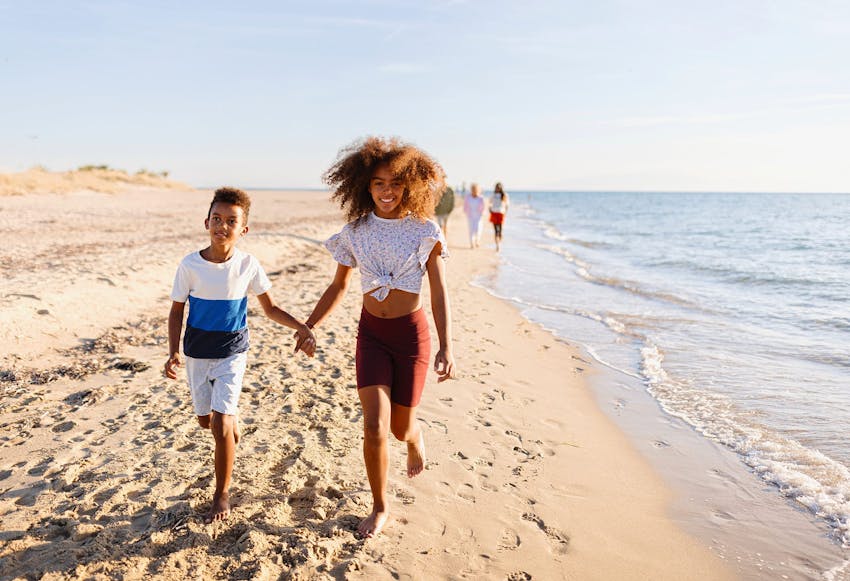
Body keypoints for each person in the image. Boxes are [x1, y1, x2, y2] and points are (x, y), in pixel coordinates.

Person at [305, 136, 456, 538]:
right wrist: (310, 325)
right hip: (371, 335)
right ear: (364, 187)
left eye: (394, 183)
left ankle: (415, 437)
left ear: (409, 184)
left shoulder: (424, 230)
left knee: (400, 427)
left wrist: (446, 346)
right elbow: (339, 287)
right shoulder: (355, 232)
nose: (386, 191)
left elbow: (438, 292)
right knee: (373, 426)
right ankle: (380, 506)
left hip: (411, 337)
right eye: (377, 183)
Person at [164, 187, 315, 524]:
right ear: (206, 222)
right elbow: (176, 312)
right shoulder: (189, 265)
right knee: (207, 421)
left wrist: (302, 327)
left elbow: (271, 308)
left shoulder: (248, 265)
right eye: (217, 219)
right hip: (197, 354)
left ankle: (221, 494)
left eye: (231, 221)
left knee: (220, 423)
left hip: (233, 352)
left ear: (243, 230)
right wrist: (172, 352)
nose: (223, 225)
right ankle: (228, 425)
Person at [463, 183, 486, 248]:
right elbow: (465, 205)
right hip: (470, 215)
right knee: (471, 230)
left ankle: (477, 241)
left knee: (478, 229)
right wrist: (465, 212)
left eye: (475, 189)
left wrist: (482, 212)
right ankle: (472, 243)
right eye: (473, 189)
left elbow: (483, 206)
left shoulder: (481, 198)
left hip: (478, 216)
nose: (474, 190)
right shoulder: (468, 197)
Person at [489, 182, 509, 252]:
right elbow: (490, 203)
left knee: (500, 230)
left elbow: (507, 205)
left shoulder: (504, 195)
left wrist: (505, 212)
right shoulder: (493, 195)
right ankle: (497, 245)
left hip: (501, 213)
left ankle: (499, 242)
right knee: (496, 230)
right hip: (494, 213)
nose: (498, 188)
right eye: (497, 187)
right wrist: (490, 209)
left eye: (499, 187)